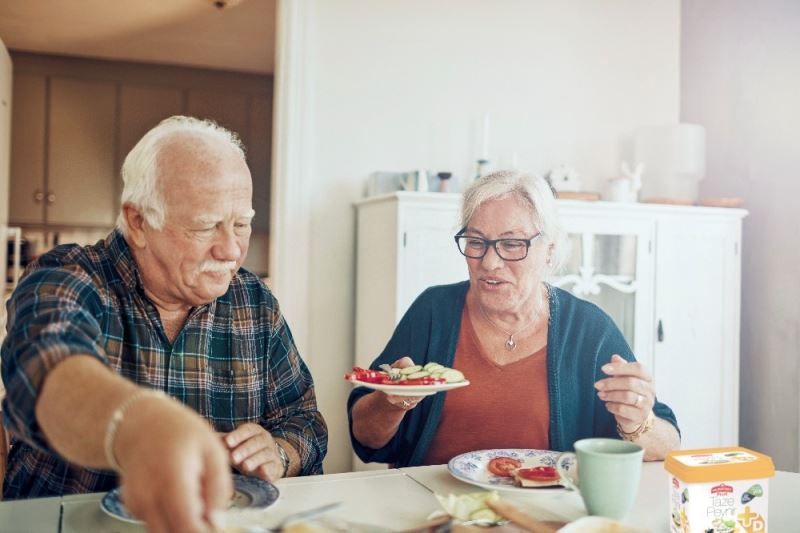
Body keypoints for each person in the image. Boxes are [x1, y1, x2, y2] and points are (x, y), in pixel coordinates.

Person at [1, 116, 327, 531]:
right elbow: (45, 369)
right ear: (138, 221)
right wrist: (138, 426)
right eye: (205, 225)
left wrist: (280, 452)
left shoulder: (254, 301)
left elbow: (305, 419)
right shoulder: (67, 276)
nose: (230, 249)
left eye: (241, 224)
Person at [348, 170, 679, 468]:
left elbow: (668, 444)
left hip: (542, 510)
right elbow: (366, 438)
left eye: (511, 244)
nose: (490, 262)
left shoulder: (588, 329)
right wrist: (390, 402)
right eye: (477, 242)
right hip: (437, 508)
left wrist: (637, 423)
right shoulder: (434, 311)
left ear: (549, 249)